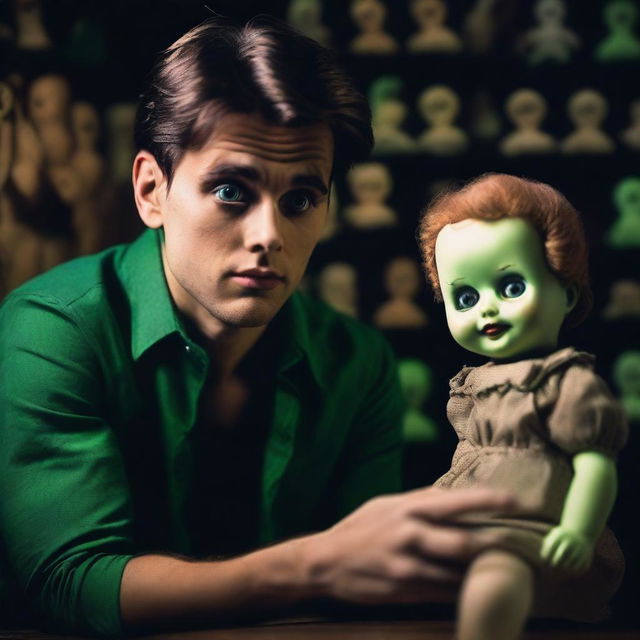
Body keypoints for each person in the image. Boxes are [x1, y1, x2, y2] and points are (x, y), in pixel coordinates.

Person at [0, 16, 519, 637]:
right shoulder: (50, 332)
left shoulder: (358, 363)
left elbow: (372, 586)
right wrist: (312, 566)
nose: (269, 235)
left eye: (300, 200)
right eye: (229, 190)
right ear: (151, 191)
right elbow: (72, 580)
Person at [418, 173, 628, 640]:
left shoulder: (563, 380)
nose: (486, 310)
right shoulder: (474, 383)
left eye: (511, 287)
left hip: (534, 521)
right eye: (466, 297)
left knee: (499, 574)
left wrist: (579, 529)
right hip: (471, 510)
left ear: (567, 293)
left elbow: (596, 464)